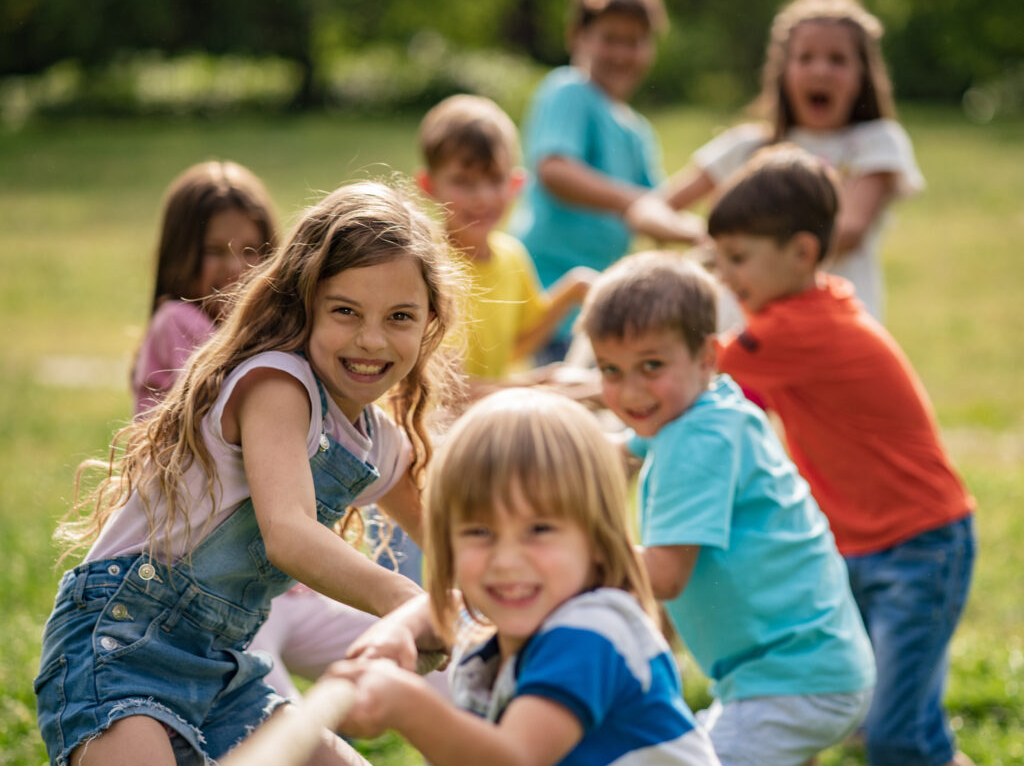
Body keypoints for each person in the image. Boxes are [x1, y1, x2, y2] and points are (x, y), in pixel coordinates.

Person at [34, 180, 463, 766]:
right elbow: (287, 534)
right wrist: (404, 598)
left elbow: (456, 535)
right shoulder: (277, 385)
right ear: (302, 304)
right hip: (121, 644)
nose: (371, 339)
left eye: (400, 317)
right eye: (345, 311)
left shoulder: (378, 442)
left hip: (221, 664)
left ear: (431, 322)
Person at [709, 144, 976, 766]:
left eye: (739, 258)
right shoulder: (805, 309)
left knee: (895, 735)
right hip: (857, 544)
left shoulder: (795, 330)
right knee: (878, 717)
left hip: (919, 549)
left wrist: (573, 388)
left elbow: (682, 376)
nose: (724, 276)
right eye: (718, 258)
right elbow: (720, 397)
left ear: (802, 252)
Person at [578, 250, 876, 766]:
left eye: (652, 365)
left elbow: (667, 575)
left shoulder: (697, 440)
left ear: (706, 358)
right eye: (611, 369)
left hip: (789, 682)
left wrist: (569, 557)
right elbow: (613, 452)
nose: (629, 391)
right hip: (807, 666)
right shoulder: (706, 410)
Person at [329, 388, 721, 766]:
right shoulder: (522, 607)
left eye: (539, 531)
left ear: (598, 542)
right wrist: (396, 632)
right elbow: (448, 606)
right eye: (480, 533)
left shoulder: (590, 633)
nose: (506, 561)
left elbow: (514, 758)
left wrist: (405, 704)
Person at [644, 0, 922, 322]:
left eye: (837, 59)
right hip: (740, 328)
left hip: (831, 327)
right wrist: (701, 236)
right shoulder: (748, 145)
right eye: (806, 58)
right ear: (782, 69)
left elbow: (848, 230)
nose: (821, 70)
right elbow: (649, 209)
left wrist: (734, 244)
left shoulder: (875, 142)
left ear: (863, 73)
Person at [509, 0, 703, 361]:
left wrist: (706, 219)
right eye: (609, 38)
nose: (621, 53)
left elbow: (656, 207)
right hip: (553, 294)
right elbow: (555, 171)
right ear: (577, 37)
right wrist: (634, 203)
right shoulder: (569, 91)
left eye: (634, 42)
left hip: (599, 301)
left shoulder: (636, 130)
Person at [417, 93, 596, 386]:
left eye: (495, 179)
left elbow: (516, 346)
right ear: (428, 186)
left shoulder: (512, 255)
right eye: (463, 181)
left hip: (485, 418)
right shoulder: (426, 265)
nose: (482, 197)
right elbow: (447, 392)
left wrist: (573, 290)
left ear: (516, 184)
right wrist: (536, 384)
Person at [132, 160, 277, 415]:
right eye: (214, 250)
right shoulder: (176, 321)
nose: (235, 267)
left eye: (250, 250)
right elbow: (224, 411)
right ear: (178, 255)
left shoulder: (264, 326)